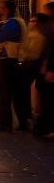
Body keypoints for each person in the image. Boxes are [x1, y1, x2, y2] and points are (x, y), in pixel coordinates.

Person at [0, 0, 28, 131]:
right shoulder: (9, 22)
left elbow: (0, 37)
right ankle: (18, 121)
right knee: (12, 91)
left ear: (8, 9)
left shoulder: (13, 22)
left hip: (9, 59)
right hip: (9, 59)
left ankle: (3, 122)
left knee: (2, 91)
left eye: (1, 8)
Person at [35, 7, 54, 136]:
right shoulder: (48, 27)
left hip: (49, 68)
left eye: (47, 10)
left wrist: (51, 70)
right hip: (45, 67)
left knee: (49, 98)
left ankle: (47, 127)